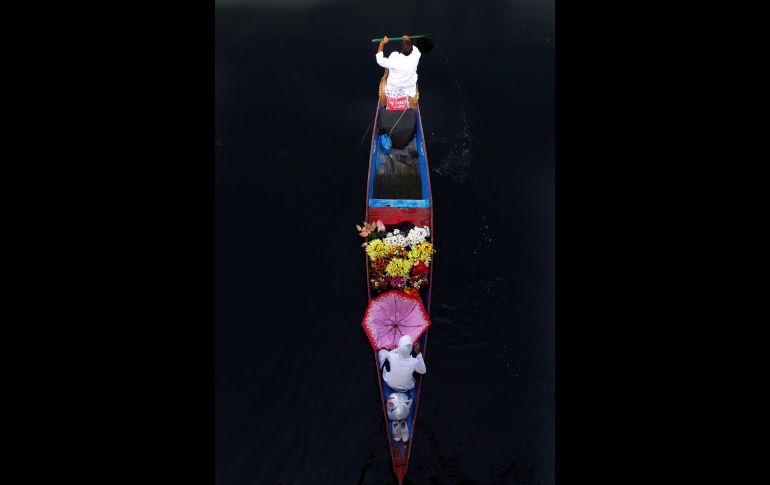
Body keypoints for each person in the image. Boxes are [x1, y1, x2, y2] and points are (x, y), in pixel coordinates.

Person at [376, 35, 422, 108]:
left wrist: (382, 43)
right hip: (410, 90)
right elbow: (415, 49)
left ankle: (389, 69)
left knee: (394, 54)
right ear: (411, 50)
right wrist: (408, 41)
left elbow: (379, 60)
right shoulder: (416, 56)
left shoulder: (395, 60)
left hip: (392, 89)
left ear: (401, 49)